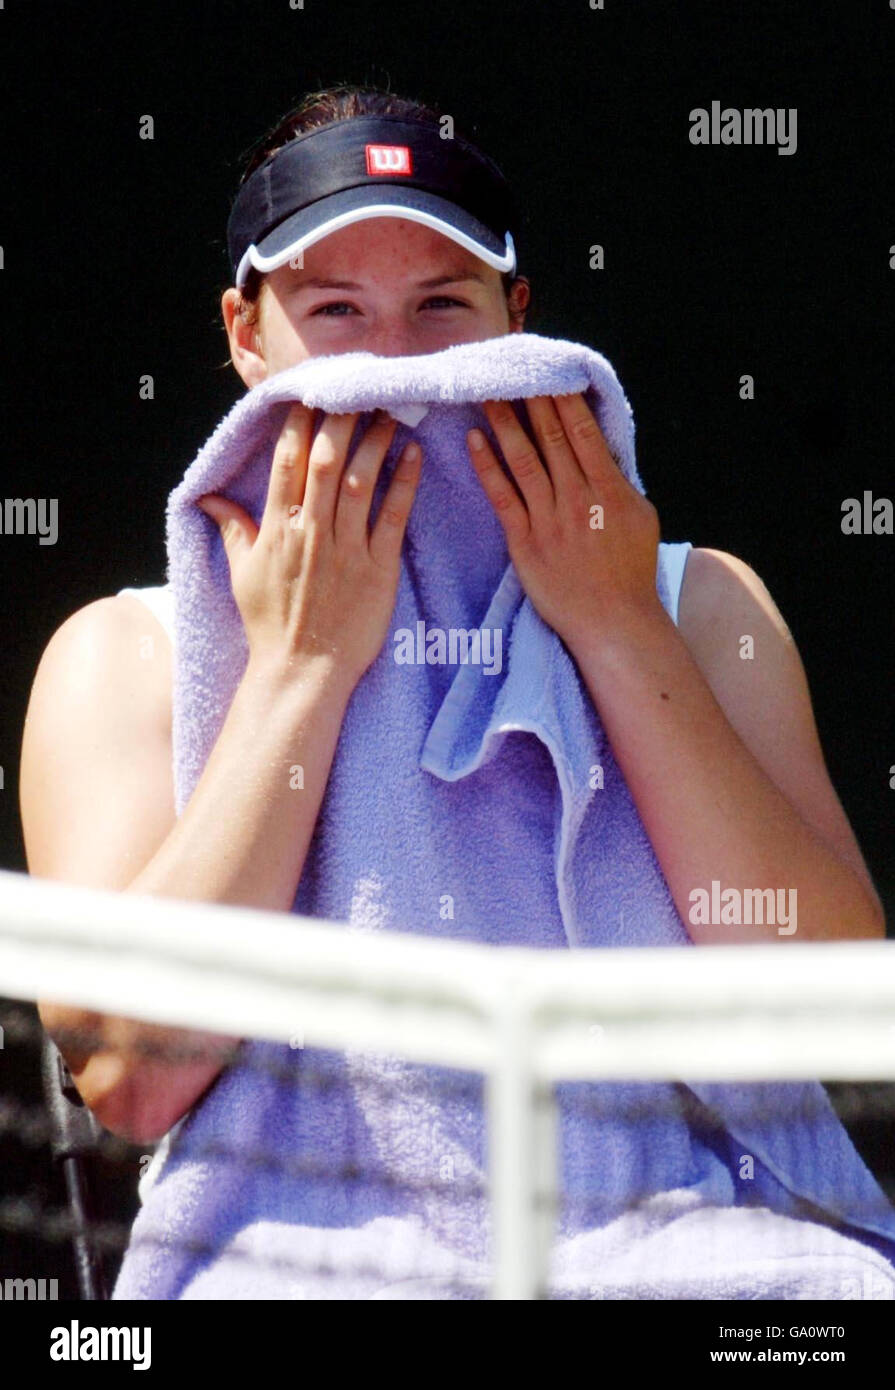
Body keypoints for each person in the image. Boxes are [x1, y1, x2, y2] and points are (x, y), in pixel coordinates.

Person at [19, 84, 887, 1291]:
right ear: (243, 331)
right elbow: (134, 1072)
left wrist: (617, 625)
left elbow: (838, 1017)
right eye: (336, 311)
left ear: (518, 314)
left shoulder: (702, 605)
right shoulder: (120, 654)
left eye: (441, 307)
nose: (392, 367)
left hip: (716, 1262)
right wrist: (300, 668)